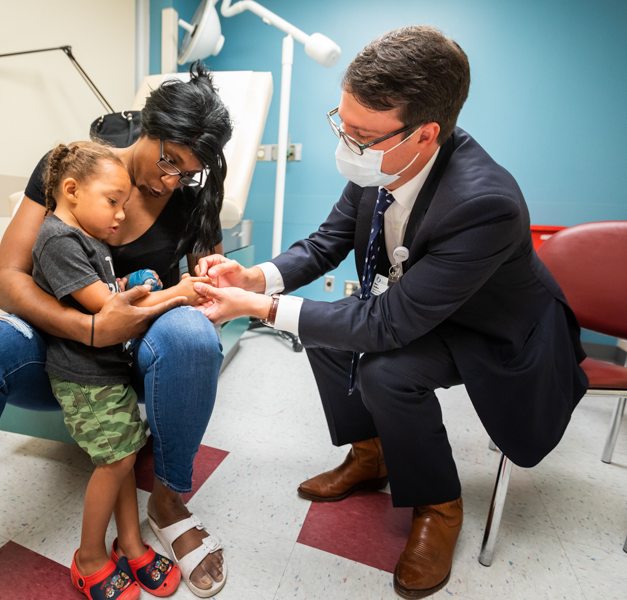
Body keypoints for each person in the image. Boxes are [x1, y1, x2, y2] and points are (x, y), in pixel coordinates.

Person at [192, 26, 588, 599]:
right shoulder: (380, 160)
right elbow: (327, 241)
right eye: (342, 123)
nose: (346, 143)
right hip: (417, 307)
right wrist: (255, 276)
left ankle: (438, 506)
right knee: (330, 334)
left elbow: (386, 326)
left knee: (385, 369)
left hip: (493, 329)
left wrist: (256, 307)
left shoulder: (485, 203)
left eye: (361, 134)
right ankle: (371, 456)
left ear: (425, 134)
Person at [0, 62, 232, 600]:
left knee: (192, 334)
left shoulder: (189, 199)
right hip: (65, 348)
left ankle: (168, 501)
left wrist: (204, 282)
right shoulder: (74, 169)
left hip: (138, 350)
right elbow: (6, 281)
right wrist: (88, 328)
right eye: (168, 161)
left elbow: (204, 284)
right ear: (148, 126)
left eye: (188, 172)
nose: (171, 180)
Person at [33, 140, 212, 599]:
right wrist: (178, 293)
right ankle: (89, 557)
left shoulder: (89, 240)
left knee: (125, 457)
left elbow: (106, 288)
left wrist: (132, 282)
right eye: (112, 202)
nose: (120, 215)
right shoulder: (56, 238)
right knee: (113, 463)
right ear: (71, 190)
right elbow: (108, 310)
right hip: (83, 377)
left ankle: (130, 543)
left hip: (105, 371)